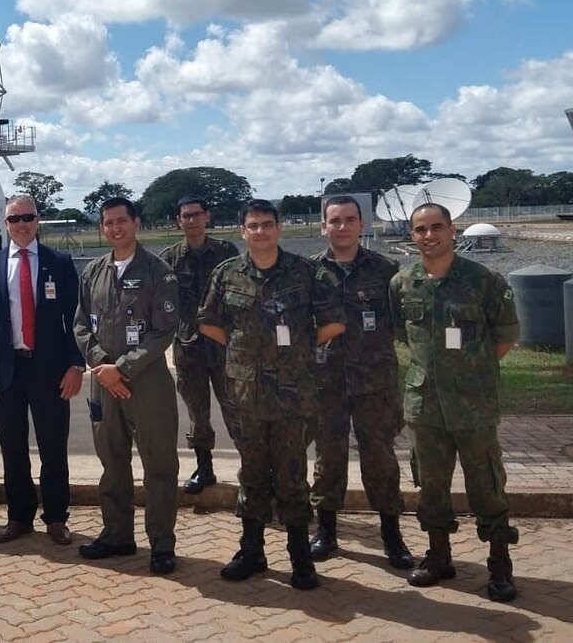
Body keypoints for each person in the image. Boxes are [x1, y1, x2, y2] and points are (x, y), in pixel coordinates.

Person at [197, 199, 345, 590]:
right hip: (245, 395)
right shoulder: (227, 274)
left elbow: (332, 322)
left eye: (267, 224)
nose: (260, 231)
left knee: (292, 476)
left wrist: (300, 348)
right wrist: (245, 349)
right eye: (253, 226)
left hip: (294, 396)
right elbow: (208, 322)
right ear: (243, 232)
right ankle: (252, 551)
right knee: (251, 474)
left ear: (278, 229)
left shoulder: (305, 273)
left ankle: (300, 558)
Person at [389, 203, 521, 602]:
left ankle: (499, 565)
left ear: (452, 230)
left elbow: (505, 336)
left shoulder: (484, 280)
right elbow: (401, 334)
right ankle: (439, 556)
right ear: (412, 235)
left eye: (436, 227)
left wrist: (469, 372)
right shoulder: (402, 283)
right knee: (431, 483)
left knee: (487, 484)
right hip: (424, 403)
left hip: (473, 404)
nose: (429, 236)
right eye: (420, 229)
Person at [72, 197, 180, 575]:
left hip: (146, 382)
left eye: (122, 221)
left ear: (137, 223)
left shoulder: (158, 272)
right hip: (103, 382)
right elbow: (81, 324)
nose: (116, 228)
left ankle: (162, 545)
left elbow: (163, 331)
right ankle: (117, 535)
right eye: (108, 223)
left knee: (159, 465)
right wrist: (102, 366)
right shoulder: (93, 272)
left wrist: (123, 369)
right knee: (112, 463)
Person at [0, 195, 84, 545]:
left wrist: (76, 365)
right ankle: (19, 516)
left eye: (27, 217)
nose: (21, 224)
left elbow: (76, 320)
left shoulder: (59, 263)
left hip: (50, 371)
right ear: (5, 224)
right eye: (14, 219)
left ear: (38, 220)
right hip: (7, 372)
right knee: (12, 448)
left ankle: (55, 518)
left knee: (53, 448)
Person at [308, 196, 413, 569]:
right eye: (334, 220)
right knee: (328, 458)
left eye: (349, 219)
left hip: (375, 382)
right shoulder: (309, 272)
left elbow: (402, 325)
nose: (342, 227)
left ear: (362, 224)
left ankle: (392, 534)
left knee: (380, 458)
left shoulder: (386, 270)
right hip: (326, 382)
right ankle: (326, 531)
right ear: (324, 226)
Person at [159, 196, 238, 494]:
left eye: (196, 215)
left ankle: (254, 471)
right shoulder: (170, 258)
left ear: (207, 216)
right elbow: (164, 303)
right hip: (188, 347)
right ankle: (205, 468)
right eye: (185, 216)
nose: (191, 220)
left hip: (223, 346)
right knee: (197, 413)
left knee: (236, 411)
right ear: (178, 221)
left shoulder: (225, 252)